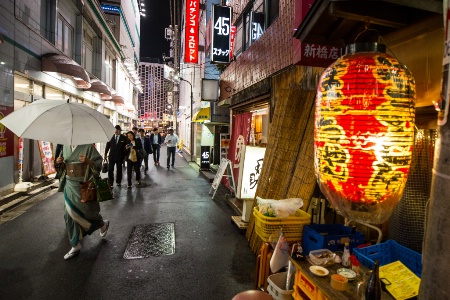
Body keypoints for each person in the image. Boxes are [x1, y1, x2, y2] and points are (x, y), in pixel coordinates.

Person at [56, 144, 109, 260]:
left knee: (87, 213)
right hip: (70, 184)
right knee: (68, 214)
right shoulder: (65, 147)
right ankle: (75, 244)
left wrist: (89, 162)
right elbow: (63, 169)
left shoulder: (88, 147)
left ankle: (102, 224)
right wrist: (60, 163)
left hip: (84, 184)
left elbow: (98, 165)